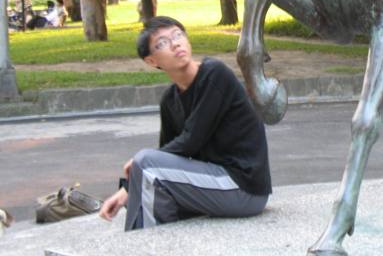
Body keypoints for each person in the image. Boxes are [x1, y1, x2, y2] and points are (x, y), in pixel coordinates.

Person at [98, 16, 271, 230]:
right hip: (213, 185)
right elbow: (166, 156)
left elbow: (190, 141)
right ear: (152, 61)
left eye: (178, 35)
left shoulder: (214, 75)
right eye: (162, 43)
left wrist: (139, 167)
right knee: (148, 170)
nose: (175, 44)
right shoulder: (170, 101)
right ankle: (155, 243)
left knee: (145, 161)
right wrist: (127, 189)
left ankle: (142, 246)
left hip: (243, 189)